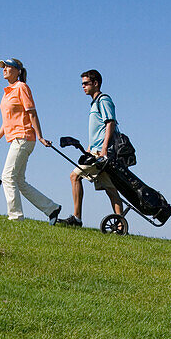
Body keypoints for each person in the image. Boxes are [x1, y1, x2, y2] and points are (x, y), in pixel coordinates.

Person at [0, 58, 61, 223]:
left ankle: (15, 217)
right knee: (19, 181)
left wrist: (41, 136)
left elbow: (32, 113)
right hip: (16, 138)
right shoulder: (8, 91)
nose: (4, 69)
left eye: (8, 67)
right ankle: (51, 208)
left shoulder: (22, 87)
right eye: (3, 67)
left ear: (18, 71)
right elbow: (8, 121)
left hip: (24, 137)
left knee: (7, 176)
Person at [61, 69, 123, 227]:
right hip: (96, 151)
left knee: (74, 176)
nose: (83, 86)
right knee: (111, 189)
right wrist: (89, 148)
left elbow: (110, 123)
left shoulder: (104, 100)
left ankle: (77, 218)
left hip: (102, 153)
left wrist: (103, 150)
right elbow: (98, 129)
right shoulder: (94, 103)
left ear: (96, 83)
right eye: (82, 84)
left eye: (86, 83)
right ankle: (121, 226)